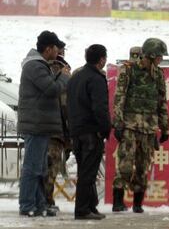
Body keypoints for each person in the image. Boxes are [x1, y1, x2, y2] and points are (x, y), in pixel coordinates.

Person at [112, 38, 169, 213]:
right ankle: (117, 202)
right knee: (125, 165)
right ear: (151, 55)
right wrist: (118, 123)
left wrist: (165, 127)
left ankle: (138, 204)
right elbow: (119, 97)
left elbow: (161, 102)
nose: (161, 59)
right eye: (159, 56)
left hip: (149, 128)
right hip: (129, 126)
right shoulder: (128, 70)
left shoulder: (158, 74)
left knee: (143, 167)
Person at [18, 30, 70, 217]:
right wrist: (64, 76)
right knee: (32, 168)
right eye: (57, 48)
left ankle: (39, 204)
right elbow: (51, 89)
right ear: (49, 48)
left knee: (40, 168)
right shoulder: (35, 66)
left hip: (42, 125)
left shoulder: (41, 65)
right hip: (35, 125)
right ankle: (26, 205)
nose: (59, 52)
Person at [66, 44, 111, 220]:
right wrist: (106, 129)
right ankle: (83, 209)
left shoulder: (75, 78)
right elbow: (100, 108)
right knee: (88, 172)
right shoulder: (96, 79)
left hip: (76, 130)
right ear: (102, 59)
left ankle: (91, 206)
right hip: (91, 132)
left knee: (85, 171)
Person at [45, 40, 72, 212]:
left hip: (44, 125)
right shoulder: (60, 70)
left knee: (43, 166)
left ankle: (42, 200)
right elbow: (64, 104)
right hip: (55, 128)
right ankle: (46, 201)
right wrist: (69, 131)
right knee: (50, 167)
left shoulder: (40, 67)